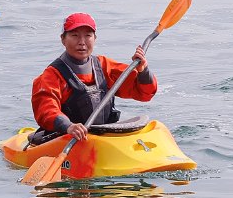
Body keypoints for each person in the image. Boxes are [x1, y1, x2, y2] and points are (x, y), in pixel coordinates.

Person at [29, 11, 159, 141]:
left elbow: (144, 94)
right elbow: (46, 110)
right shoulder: (51, 76)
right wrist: (68, 126)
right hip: (66, 138)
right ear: (63, 39)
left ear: (94, 39)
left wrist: (143, 70)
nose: (82, 42)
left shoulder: (104, 66)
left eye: (88, 35)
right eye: (74, 35)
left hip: (101, 138)